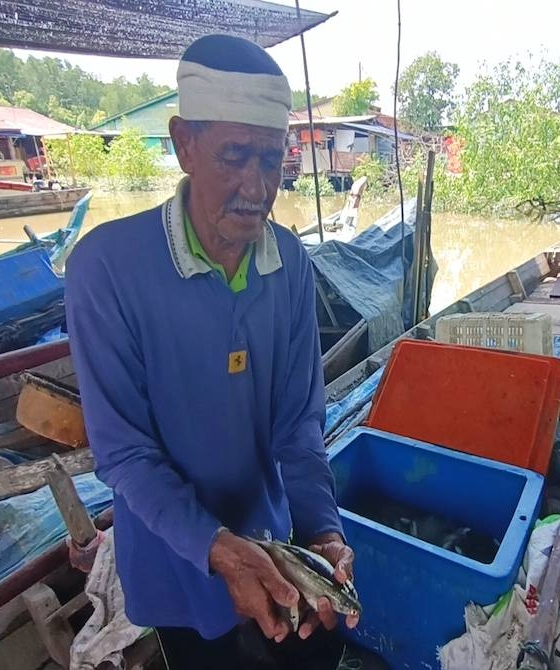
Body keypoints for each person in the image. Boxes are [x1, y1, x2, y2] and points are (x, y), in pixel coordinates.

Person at [64, 34, 357, 669]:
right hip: (172, 559)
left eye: (273, 161)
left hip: (274, 541)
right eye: (235, 155)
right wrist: (217, 549)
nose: (256, 186)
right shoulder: (106, 269)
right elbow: (124, 454)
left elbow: (299, 425)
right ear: (183, 144)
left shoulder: (292, 266)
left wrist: (323, 531)